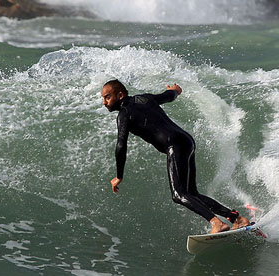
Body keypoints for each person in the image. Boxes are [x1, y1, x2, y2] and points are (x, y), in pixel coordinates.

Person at [101, 79, 249, 233]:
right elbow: (167, 96)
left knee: (178, 195)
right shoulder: (144, 98)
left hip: (174, 146)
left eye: (107, 97)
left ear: (120, 95)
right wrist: (176, 90)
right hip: (187, 141)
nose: (104, 102)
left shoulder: (124, 114)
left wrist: (119, 176)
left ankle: (216, 223)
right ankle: (237, 219)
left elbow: (121, 146)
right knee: (191, 194)